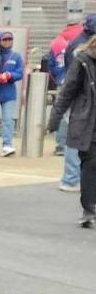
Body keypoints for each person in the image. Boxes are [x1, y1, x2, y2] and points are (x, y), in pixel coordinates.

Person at [47, 34, 96, 228]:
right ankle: (89, 207)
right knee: (91, 163)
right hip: (87, 122)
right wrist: (54, 120)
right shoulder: (82, 61)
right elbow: (67, 91)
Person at [0, 31, 23, 157]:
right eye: (4, 39)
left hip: (8, 93)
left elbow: (20, 73)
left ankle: (7, 145)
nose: (7, 42)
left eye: (10, 39)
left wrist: (9, 75)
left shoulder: (16, 56)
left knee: (7, 120)